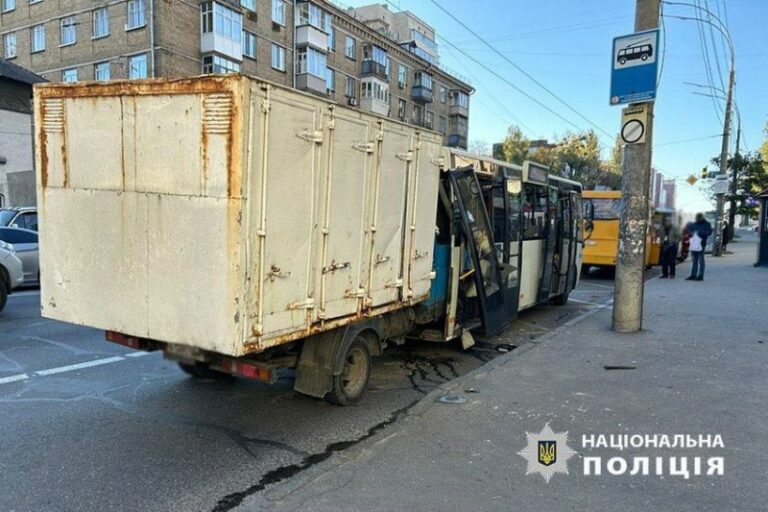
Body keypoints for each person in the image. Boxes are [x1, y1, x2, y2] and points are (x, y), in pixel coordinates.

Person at [686, 213, 713, 281]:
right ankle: (693, 275)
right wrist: (691, 233)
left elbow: (709, 232)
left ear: (701, 218)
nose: (697, 219)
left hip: (701, 243)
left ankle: (700, 275)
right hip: (694, 243)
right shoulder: (694, 224)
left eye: (698, 218)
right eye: (696, 218)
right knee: (694, 260)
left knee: (701, 259)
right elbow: (689, 231)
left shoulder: (707, 224)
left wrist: (699, 233)